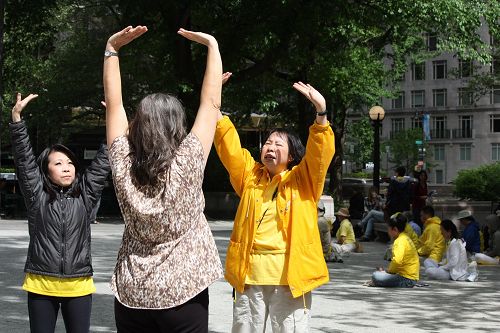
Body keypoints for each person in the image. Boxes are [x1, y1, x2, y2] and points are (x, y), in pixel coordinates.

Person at [103, 26, 223, 332]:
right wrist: (212, 45)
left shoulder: (122, 164)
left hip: (132, 295)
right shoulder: (187, 163)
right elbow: (211, 104)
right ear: (176, 128)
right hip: (183, 294)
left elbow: (114, 105)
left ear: (137, 126)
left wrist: (111, 50)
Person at [214, 81, 334, 332]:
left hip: (290, 280)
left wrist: (321, 113)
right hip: (249, 278)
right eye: (268, 143)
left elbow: (319, 156)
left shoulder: (304, 181)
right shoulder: (249, 177)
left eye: (279, 145)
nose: (270, 147)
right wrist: (214, 102)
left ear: (291, 156)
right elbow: (230, 150)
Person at [9, 93, 110, 333]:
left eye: (70, 163)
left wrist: (112, 119)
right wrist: (16, 120)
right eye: (58, 163)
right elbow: (24, 161)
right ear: (46, 171)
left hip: (79, 287)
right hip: (41, 285)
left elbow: (105, 160)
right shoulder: (37, 195)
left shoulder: (85, 195)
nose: (66, 167)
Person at [371, 212, 419, 288]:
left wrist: (388, 272)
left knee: (375, 275)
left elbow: (397, 261)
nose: (388, 231)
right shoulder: (405, 237)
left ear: (395, 229)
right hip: (411, 277)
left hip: (406, 279)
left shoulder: (399, 241)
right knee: (380, 274)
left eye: (389, 229)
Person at [418, 205, 446, 270]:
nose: (420, 217)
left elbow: (429, 246)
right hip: (433, 256)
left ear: (426, 215)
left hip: (434, 257)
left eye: (421, 215)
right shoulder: (431, 226)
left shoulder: (432, 227)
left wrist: (418, 252)